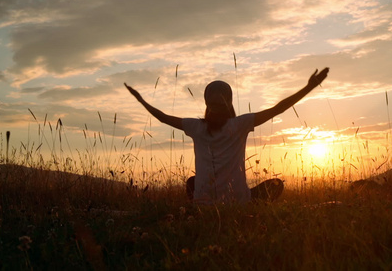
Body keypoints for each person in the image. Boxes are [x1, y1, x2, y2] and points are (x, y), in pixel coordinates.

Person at [125, 67, 329, 204]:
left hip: (203, 203)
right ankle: (252, 211)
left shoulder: (195, 126)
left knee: (192, 183)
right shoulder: (240, 124)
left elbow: (162, 117)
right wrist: (309, 87)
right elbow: (279, 109)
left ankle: (200, 207)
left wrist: (141, 100)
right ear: (230, 103)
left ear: (206, 105)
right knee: (276, 185)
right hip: (239, 201)